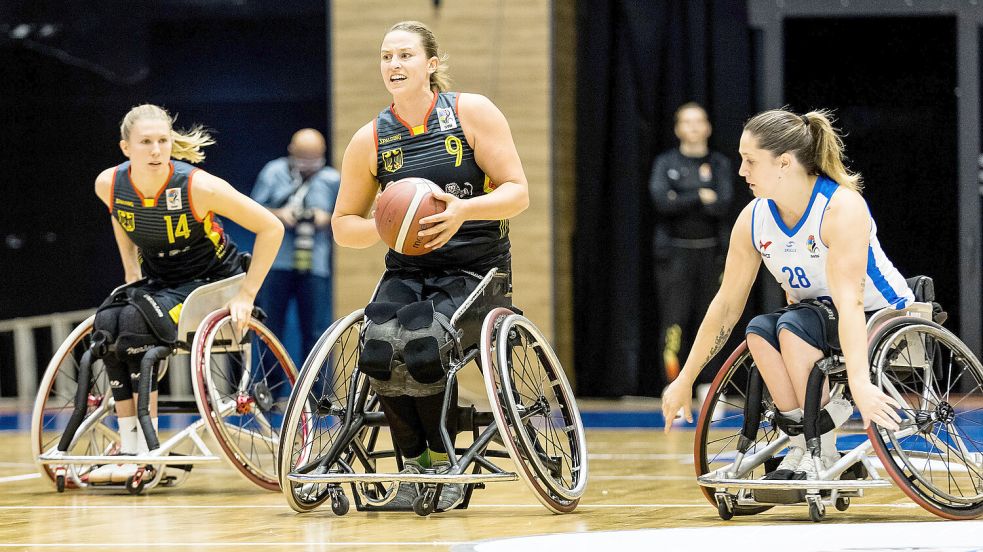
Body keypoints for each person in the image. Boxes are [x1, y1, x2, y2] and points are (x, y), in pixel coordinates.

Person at [332, 20, 529, 509]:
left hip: (476, 268)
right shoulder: (371, 138)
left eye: (405, 55)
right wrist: (383, 224)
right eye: (386, 57)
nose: (394, 65)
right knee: (377, 341)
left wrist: (463, 209)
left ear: (432, 64)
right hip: (408, 270)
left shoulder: (471, 113)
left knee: (422, 341)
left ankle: (442, 461)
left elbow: (517, 193)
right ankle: (412, 464)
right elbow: (342, 223)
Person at [661, 108, 907, 480]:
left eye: (750, 161)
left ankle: (818, 445)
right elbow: (726, 306)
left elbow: (849, 300)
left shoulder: (840, 207)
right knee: (759, 329)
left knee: (794, 326)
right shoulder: (754, 218)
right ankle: (801, 445)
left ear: (784, 163)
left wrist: (858, 380)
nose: (742, 171)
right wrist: (685, 379)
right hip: (816, 318)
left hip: (881, 315)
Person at [87, 104, 284, 483]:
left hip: (209, 282)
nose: (157, 150)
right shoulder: (108, 184)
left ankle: (144, 447)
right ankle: (132, 445)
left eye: (164, 141)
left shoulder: (197, 186)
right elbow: (121, 214)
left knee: (132, 323)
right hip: (161, 281)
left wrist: (245, 295)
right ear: (126, 147)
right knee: (108, 321)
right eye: (146, 142)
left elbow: (271, 227)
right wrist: (131, 273)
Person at [649, 102, 734, 402]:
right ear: (677, 128)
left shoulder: (720, 164)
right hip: (675, 256)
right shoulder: (666, 162)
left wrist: (681, 195)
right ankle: (673, 383)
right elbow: (662, 201)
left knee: (711, 320)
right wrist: (699, 194)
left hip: (712, 255)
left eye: (700, 121)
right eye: (688, 122)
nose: (695, 127)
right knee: (674, 321)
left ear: (708, 127)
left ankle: (710, 386)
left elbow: (723, 202)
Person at [250, 129, 340, 372]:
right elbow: (251, 211)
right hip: (276, 262)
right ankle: (266, 393)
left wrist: (325, 219)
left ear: (323, 153)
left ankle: (318, 397)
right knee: (269, 329)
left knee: (317, 332)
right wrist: (280, 215)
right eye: (303, 157)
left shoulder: (332, 179)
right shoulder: (273, 172)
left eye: (314, 158)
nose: (308, 164)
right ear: (291, 150)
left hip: (315, 265)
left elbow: (347, 219)